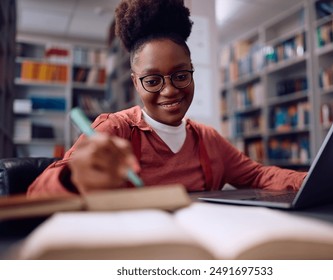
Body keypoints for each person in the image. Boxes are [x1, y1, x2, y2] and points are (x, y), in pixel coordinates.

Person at [27, 0, 306, 198]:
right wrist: (74, 177)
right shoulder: (115, 129)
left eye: (181, 75)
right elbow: (36, 193)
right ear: (136, 83)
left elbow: (258, 176)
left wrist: (309, 180)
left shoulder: (207, 139)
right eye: (152, 80)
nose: (170, 90)